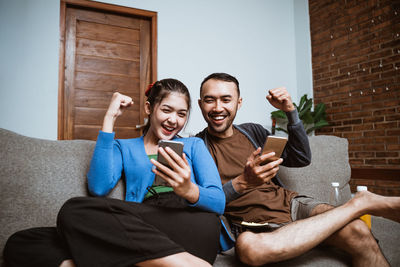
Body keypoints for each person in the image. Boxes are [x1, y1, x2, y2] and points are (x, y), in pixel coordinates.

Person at [4, 78, 225, 267]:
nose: (173, 120)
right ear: (149, 108)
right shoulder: (125, 147)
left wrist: (189, 190)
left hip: (193, 227)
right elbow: (98, 188)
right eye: (166, 110)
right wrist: (109, 119)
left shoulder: (194, 145)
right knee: (22, 241)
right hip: (143, 226)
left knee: (74, 210)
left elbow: (218, 202)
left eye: (181, 114)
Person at [196, 72, 400, 267]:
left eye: (225, 99)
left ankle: (356, 205)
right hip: (255, 226)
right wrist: (244, 181)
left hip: (293, 205)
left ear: (238, 103)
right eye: (209, 100)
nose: (217, 107)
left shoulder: (252, 131)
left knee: (358, 230)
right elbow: (203, 202)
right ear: (200, 104)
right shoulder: (195, 147)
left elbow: (301, 158)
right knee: (249, 250)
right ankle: (359, 204)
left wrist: (290, 111)